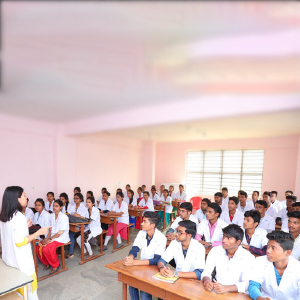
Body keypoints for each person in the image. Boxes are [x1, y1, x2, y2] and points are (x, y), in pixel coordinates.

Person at [0, 186, 49, 300]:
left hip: (10, 261)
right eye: (24, 195)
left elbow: (10, 234)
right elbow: (19, 242)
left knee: (19, 293)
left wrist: (24, 227)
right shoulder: (19, 217)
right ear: (17, 199)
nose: (26, 198)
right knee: (31, 293)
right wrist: (38, 233)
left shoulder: (4, 216)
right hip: (23, 264)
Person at [123, 211, 166, 300]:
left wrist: (134, 263)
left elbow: (156, 260)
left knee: (144, 292)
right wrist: (130, 257)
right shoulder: (141, 233)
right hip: (142, 266)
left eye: (145, 221)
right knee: (132, 284)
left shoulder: (161, 238)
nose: (142, 223)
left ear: (153, 225)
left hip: (155, 269)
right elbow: (135, 248)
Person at [202, 224, 255, 294]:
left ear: (238, 242)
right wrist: (207, 282)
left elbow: (247, 284)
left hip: (237, 294)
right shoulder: (215, 251)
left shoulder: (248, 257)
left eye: (229, 238)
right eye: (224, 236)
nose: (224, 240)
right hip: (217, 291)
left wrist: (226, 288)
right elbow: (206, 272)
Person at [248, 231, 300, 300]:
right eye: (268, 246)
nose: (268, 251)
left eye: (273, 248)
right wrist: (259, 298)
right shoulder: (260, 261)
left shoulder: (297, 267)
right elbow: (253, 285)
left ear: (288, 252)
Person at [37, 200, 70, 275]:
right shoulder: (52, 216)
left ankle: (55, 265)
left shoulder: (64, 217)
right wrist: (46, 239)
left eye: (56, 206)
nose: (54, 207)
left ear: (61, 207)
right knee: (39, 246)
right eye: (53, 206)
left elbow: (60, 232)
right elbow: (50, 229)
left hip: (61, 238)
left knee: (47, 248)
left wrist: (50, 239)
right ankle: (47, 263)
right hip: (53, 237)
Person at [66, 193, 87, 259]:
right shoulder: (73, 206)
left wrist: (78, 216)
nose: (75, 200)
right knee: (66, 231)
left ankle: (71, 252)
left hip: (81, 225)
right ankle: (63, 250)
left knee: (71, 234)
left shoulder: (83, 207)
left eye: (77, 198)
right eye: (74, 198)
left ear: (80, 199)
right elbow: (69, 213)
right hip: (74, 224)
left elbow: (84, 218)